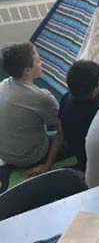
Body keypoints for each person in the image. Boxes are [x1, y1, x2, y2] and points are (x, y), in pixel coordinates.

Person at [0, 42, 61, 175]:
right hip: (30, 158)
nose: (42, 63)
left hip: (4, 154)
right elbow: (64, 126)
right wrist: (47, 165)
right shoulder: (42, 97)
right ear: (27, 70)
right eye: (38, 61)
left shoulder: (3, 85)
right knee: (71, 133)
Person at [58, 60, 99, 171]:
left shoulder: (66, 98)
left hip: (77, 152)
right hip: (92, 160)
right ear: (93, 90)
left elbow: (59, 133)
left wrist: (47, 165)